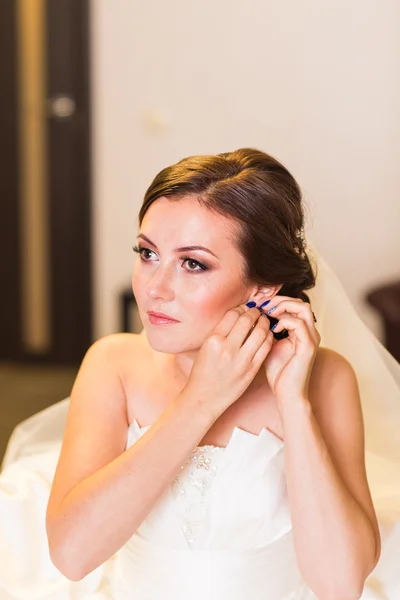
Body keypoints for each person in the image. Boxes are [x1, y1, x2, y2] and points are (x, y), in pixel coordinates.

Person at [1, 148, 399, 600]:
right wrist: (201, 399)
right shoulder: (113, 364)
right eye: (148, 253)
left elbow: (340, 585)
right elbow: (72, 556)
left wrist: (294, 402)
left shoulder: (325, 378)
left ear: (263, 287)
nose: (154, 287)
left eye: (193, 263)